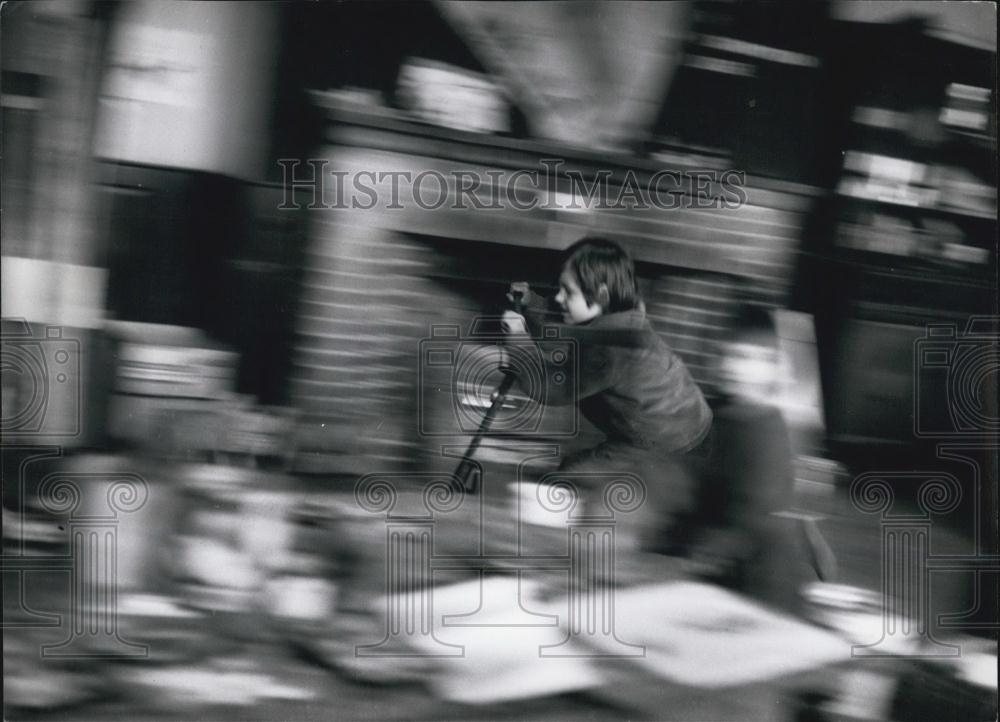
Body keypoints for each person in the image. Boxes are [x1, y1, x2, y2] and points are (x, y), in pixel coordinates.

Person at [501, 237, 713, 552]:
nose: (559, 297)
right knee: (571, 474)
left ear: (600, 295)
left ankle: (574, 550)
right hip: (670, 425)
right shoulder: (619, 316)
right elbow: (564, 327)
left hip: (668, 445)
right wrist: (531, 303)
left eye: (567, 291)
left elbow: (548, 388)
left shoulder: (610, 348)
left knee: (570, 484)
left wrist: (517, 337)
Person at [678, 304, 813, 613]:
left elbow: (754, 518)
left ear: (775, 367)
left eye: (749, 358)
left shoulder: (769, 430)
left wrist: (695, 559)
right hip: (711, 563)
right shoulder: (716, 415)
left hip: (757, 582)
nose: (734, 367)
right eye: (727, 355)